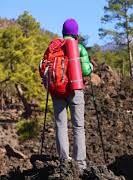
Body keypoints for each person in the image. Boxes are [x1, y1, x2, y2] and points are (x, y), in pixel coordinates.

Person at [51, 18, 92, 170]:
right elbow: (86, 71)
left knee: (61, 125)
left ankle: (64, 161)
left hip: (57, 91)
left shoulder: (56, 48)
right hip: (75, 91)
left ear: (63, 33)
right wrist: (91, 68)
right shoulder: (79, 48)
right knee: (78, 127)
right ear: (76, 34)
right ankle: (80, 164)